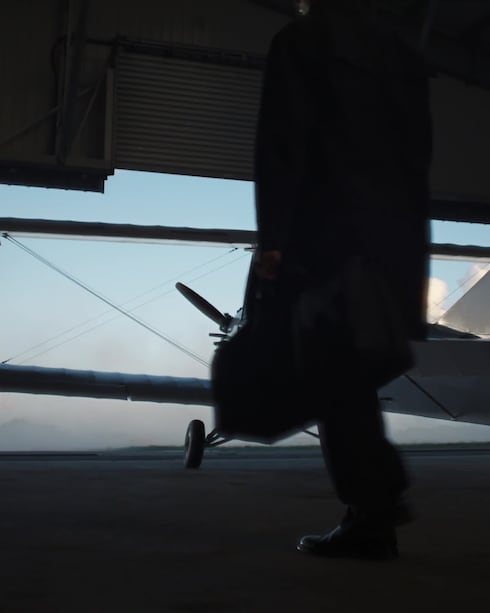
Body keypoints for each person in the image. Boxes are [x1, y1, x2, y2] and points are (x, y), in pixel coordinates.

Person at [253, 0, 432, 559]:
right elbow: (418, 155)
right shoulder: (403, 56)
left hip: (325, 236)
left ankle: (374, 510)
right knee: (353, 372)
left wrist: (274, 239)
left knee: (331, 372)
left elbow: (282, 143)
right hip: (391, 238)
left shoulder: (301, 41)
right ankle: (377, 504)